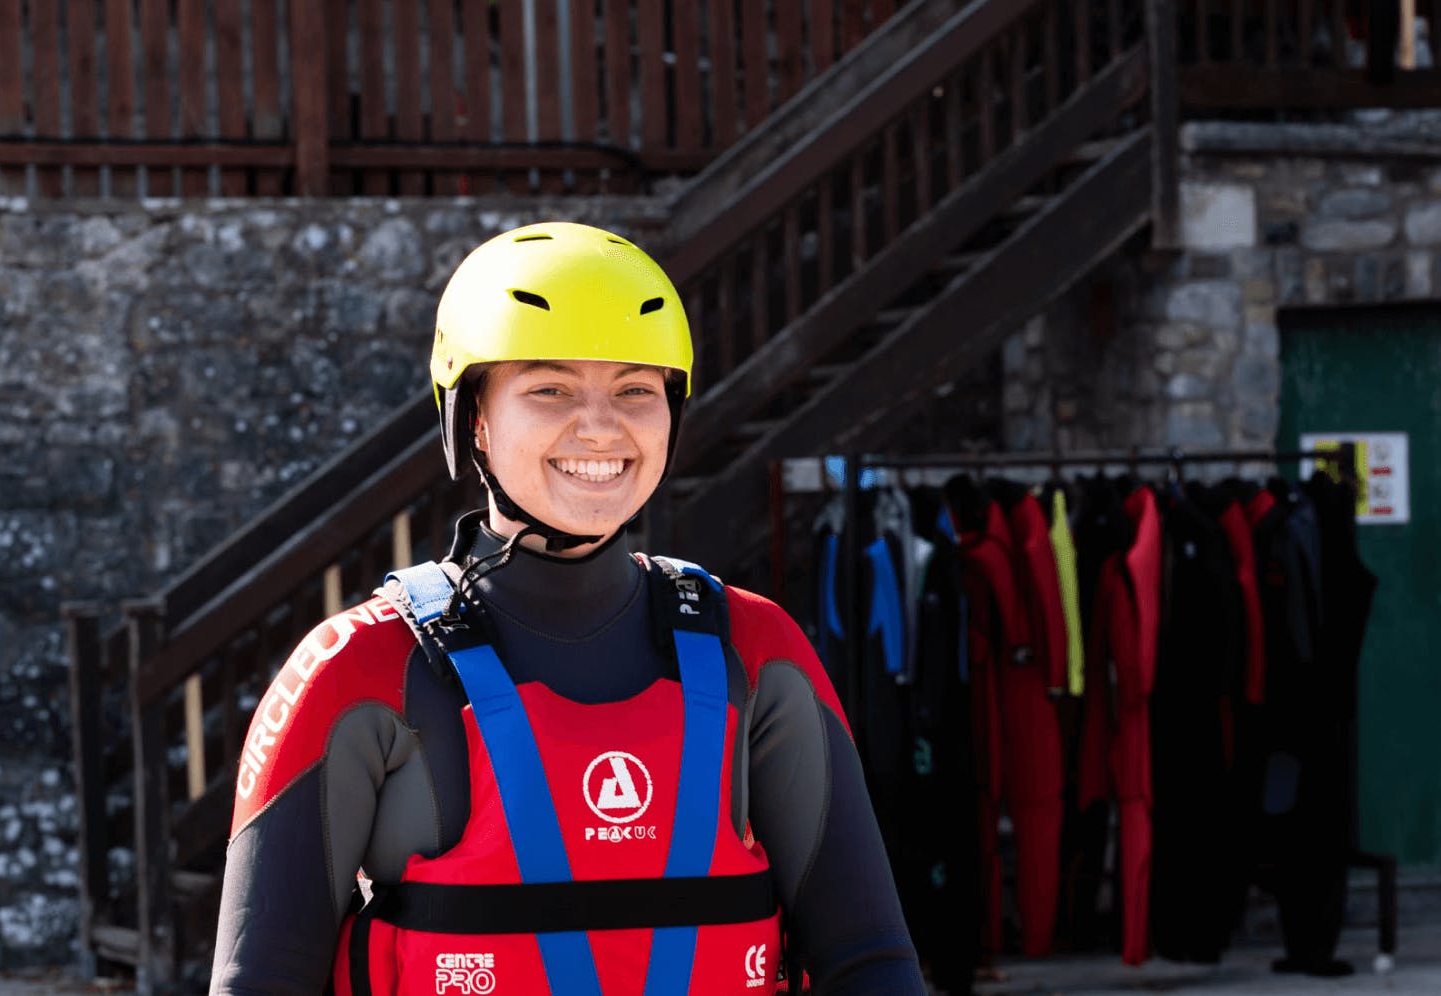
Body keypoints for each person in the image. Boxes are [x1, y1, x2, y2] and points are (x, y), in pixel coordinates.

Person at [211, 222, 924, 994]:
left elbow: (871, 961)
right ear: (473, 418)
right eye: (549, 388)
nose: (600, 426)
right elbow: (259, 979)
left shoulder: (754, 649)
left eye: (635, 389)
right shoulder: (362, 668)